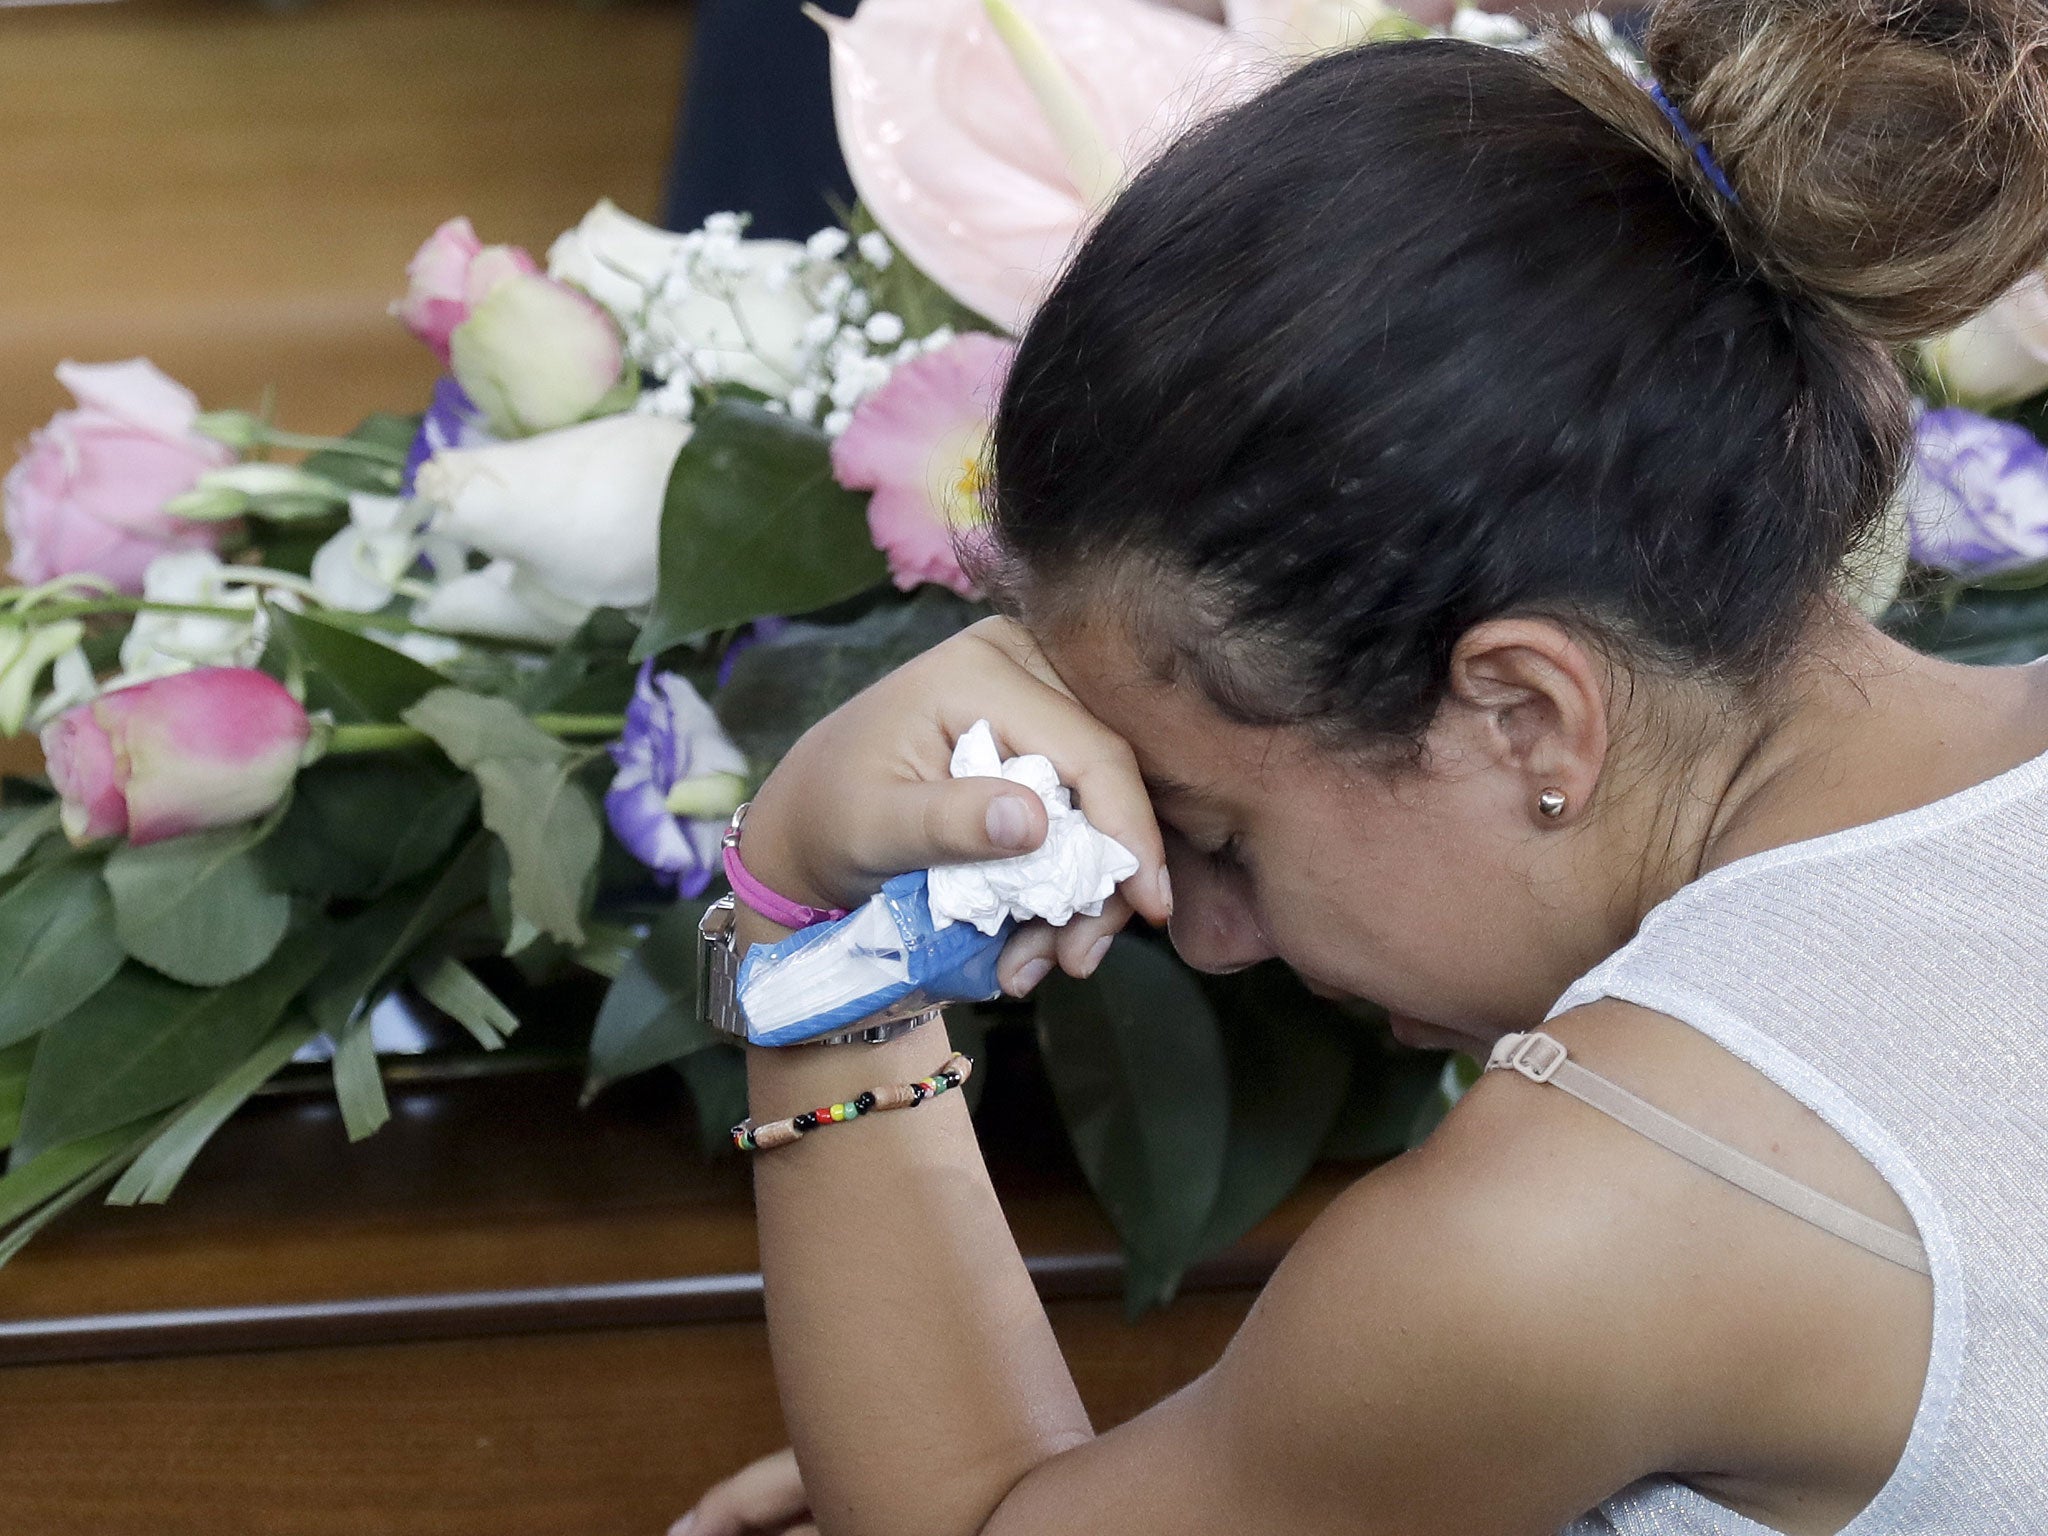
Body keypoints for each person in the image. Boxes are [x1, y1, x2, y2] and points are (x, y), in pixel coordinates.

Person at [675, 0, 2048, 1531]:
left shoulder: (1568, 1233)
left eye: (1223, 835)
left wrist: (810, 927)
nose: (1198, 928)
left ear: (1525, 715)